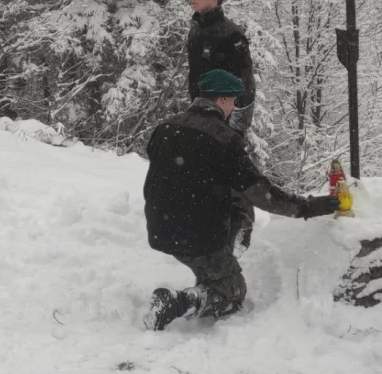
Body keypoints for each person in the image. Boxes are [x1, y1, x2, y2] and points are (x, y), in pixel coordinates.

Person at [142, 69, 338, 330]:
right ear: (222, 99)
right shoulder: (223, 139)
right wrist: (309, 207)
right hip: (198, 238)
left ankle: (211, 275)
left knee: (220, 241)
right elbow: (263, 195)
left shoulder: (165, 128)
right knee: (233, 293)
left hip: (161, 229)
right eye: (233, 101)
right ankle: (178, 302)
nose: (233, 108)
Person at [185, 0, 257, 254]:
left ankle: (240, 231)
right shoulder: (197, 29)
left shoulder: (231, 34)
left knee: (231, 169)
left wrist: (236, 124)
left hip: (227, 115)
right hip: (201, 110)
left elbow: (246, 84)